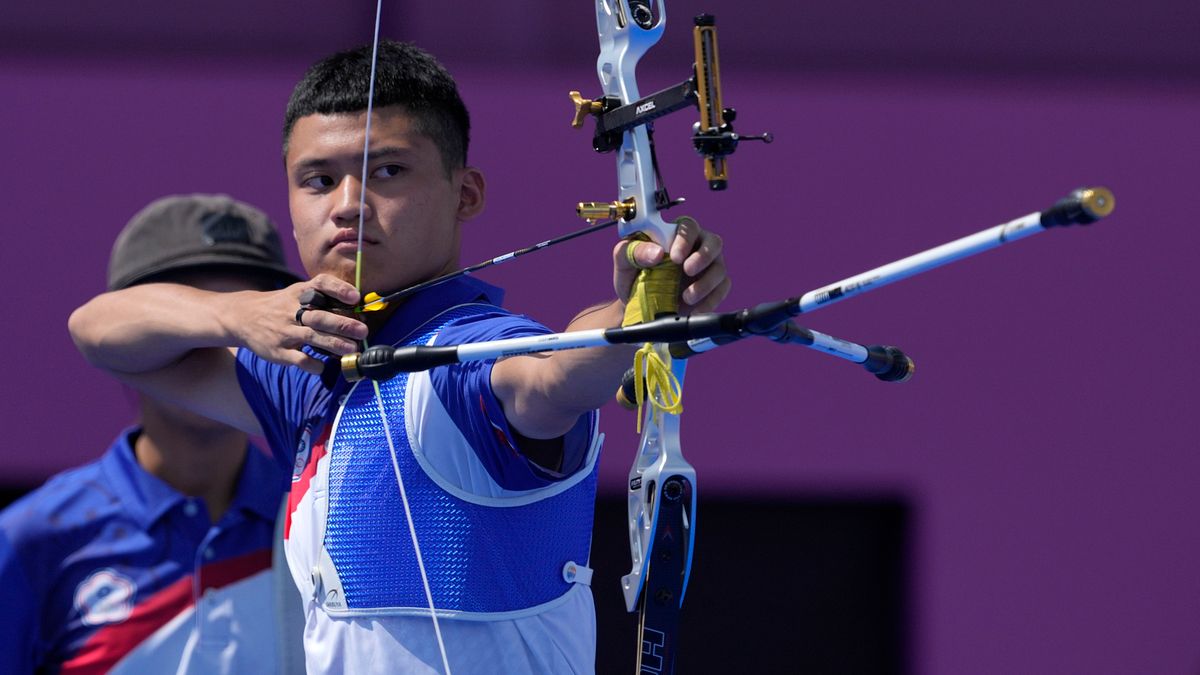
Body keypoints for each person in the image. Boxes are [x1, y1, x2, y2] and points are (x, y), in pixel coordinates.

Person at [69, 41, 729, 674]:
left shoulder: (471, 358)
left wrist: (637, 311)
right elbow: (99, 331)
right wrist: (236, 313)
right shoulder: (306, 372)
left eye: (387, 171)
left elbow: (552, 372)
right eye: (318, 180)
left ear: (465, 193)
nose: (348, 206)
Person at [0, 195, 306, 673]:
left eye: (248, 324)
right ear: (125, 338)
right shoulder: (29, 540)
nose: (219, 348)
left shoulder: (319, 520)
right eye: (188, 324)